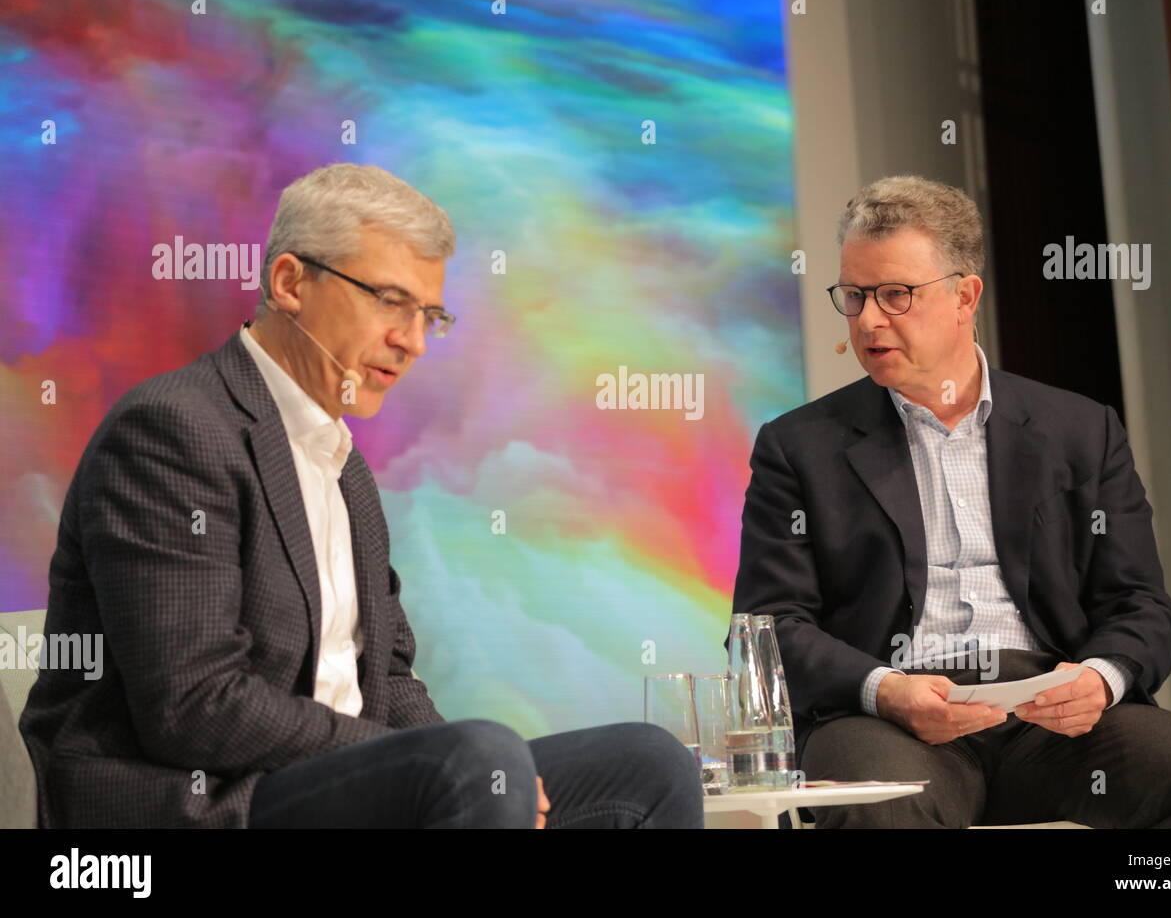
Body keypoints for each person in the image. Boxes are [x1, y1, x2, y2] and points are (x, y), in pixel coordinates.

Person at [20, 163, 702, 829]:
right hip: (200, 802)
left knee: (648, 763)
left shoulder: (344, 468)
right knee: (476, 758)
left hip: (340, 785)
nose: (412, 342)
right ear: (290, 282)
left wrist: (483, 773)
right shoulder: (172, 430)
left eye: (429, 314)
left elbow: (392, 683)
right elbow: (193, 706)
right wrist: (438, 762)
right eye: (389, 301)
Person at [731, 174, 1171, 828]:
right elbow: (766, 627)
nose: (868, 319)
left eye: (895, 294)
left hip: (1049, 718)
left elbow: (1140, 603)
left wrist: (1099, 678)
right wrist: (886, 691)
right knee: (879, 813)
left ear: (965, 296)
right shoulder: (799, 446)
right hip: (889, 718)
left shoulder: (1078, 429)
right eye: (854, 295)